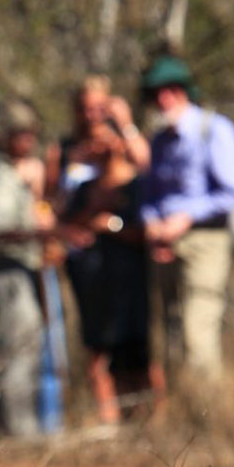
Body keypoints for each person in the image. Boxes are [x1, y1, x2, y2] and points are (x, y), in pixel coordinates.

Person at [139, 55, 234, 379]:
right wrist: (153, 224)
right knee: (171, 331)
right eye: (157, 93)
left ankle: (208, 414)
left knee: (197, 328)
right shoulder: (159, 141)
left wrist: (186, 218)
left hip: (206, 241)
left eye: (170, 90)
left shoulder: (214, 130)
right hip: (165, 246)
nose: (164, 99)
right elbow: (150, 196)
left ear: (184, 91)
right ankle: (181, 410)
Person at [0, 99, 71, 437]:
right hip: (3, 274)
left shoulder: (13, 172)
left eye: (30, 133)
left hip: (14, 272)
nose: (27, 140)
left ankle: (2, 431)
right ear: (3, 136)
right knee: (18, 352)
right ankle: (19, 435)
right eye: (19, 133)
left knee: (14, 351)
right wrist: (43, 233)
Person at [60, 120, 166, 424]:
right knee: (99, 351)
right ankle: (110, 424)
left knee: (137, 352)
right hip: (92, 280)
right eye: (93, 142)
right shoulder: (83, 188)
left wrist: (111, 225)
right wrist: (90, 212)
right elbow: (67, 225)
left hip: (130, 281)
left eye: (105, 140)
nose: (100, 148)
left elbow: (145, 232)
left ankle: (153, 421)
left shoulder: (137, 184)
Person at [44, 76, 150, 208]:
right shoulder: (62, 150)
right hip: (73, 222)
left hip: (114, 222)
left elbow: (144, 162)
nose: (91, 116)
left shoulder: (119, 145)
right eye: (85, 109)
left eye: (99, 109)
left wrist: (126, 123)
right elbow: (49, 197)